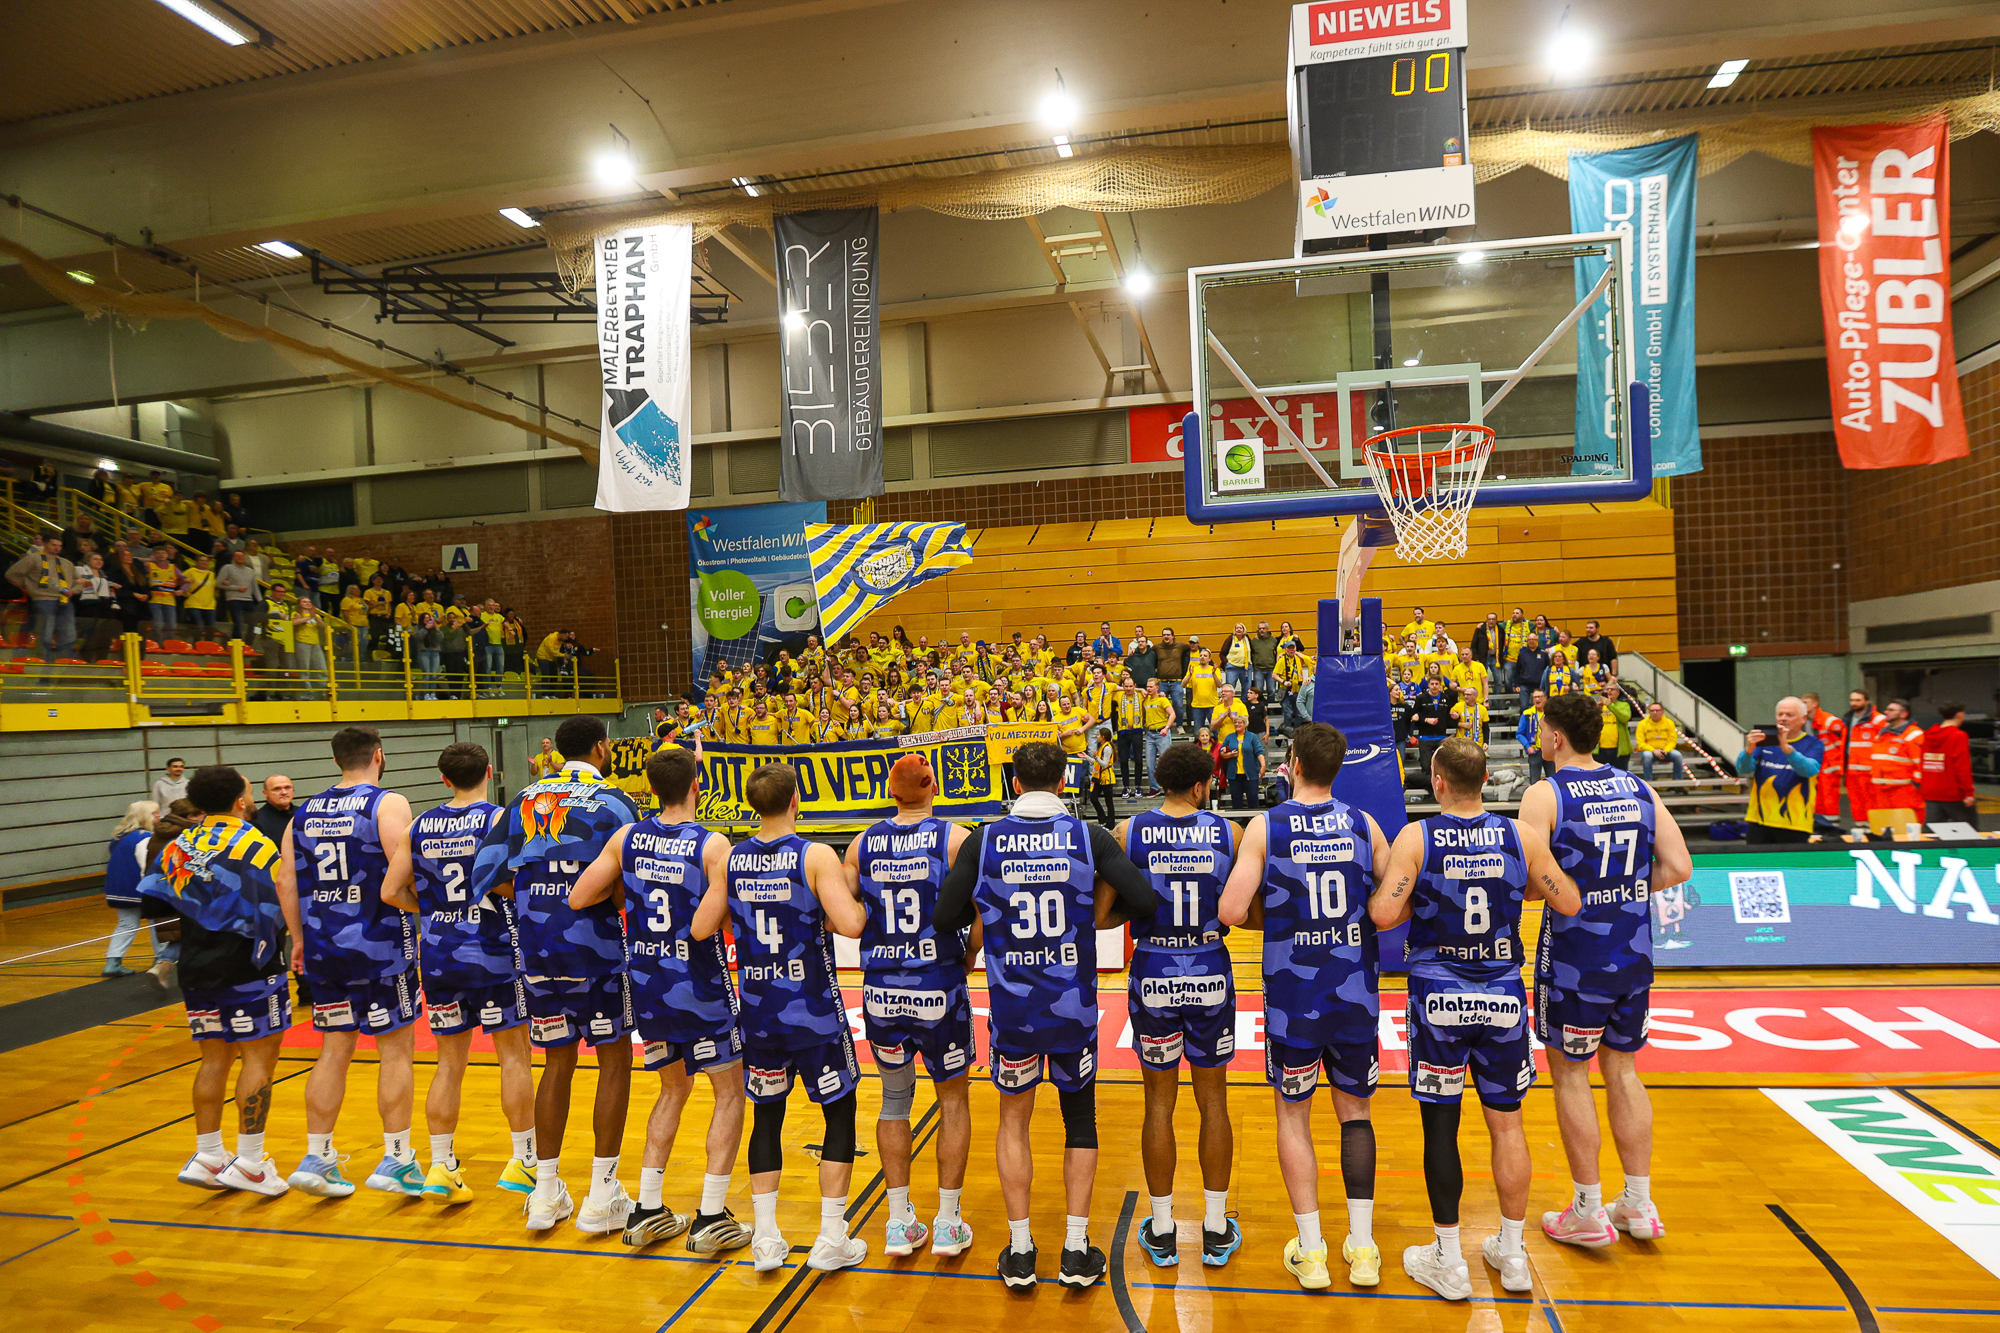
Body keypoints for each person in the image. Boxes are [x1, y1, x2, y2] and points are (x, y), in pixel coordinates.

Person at [934, 741, 1158, 1288]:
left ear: (1013, 784)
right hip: (1073, 1009)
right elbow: (1145, 900)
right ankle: (1077, 1250)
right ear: (1063, 783)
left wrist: (990, 909)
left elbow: (943, 915)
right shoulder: (1089, 836)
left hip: (1013, 1009)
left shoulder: (984, 841)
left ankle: (1020, 1249)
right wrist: (1099, 918)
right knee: (1080, 1121)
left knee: (1014, 1121)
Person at [1369, 737, 1581, 1300]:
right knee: (1507, 1123)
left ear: (1437, 782)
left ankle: (1448, 1258)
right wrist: (1518, 885)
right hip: (1503, 995)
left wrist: (1425, 895)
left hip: (1439, 997)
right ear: (1486, 779)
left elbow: (1385, 913)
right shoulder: (1520, 835)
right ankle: (1512, 1255)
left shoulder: (1418, 837)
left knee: (1441, 1124)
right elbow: (1568, 901)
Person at [1219, 722, 1391, 1291]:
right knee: (1356, 1115)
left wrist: (1286, 918)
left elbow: (1232, 909)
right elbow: (1391, 900)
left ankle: (1312, 1251)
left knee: (1293, 1114)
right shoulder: (1364, 824)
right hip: (1357, 994)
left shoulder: (1266, 826)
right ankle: (1363, 1250)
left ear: (1290, 761)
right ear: (1339, 767)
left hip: (1295, 998)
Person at [1520, 692, 1693, 1248]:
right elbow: (1680, 865)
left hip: (1574, 957)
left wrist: (1576, 894)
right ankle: (1639, 1204)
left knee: (1571, 1074)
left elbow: (1529, 882)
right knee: (1623, 1071)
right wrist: (1624, 892)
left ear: (1555, 737)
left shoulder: (1545, 794)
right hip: (1634, 950)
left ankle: (1589, 1209)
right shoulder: (1639, 786)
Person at [569, 746, 754, 1254]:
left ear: (650, 790)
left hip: (647, 986)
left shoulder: (627, 837)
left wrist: (626, 892)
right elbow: (723, 919)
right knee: (730, 1094)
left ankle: (648, 1207)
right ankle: (712, 1215)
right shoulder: (714, 845)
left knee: (671, 1091)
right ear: (697, 787)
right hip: (700, 986)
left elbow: (579, 896)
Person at [470, 714, 641, 1234]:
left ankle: (544, 1193)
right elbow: (625, 883)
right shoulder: (615, 802)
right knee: (613, 1063)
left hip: (538, 953)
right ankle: (602, 1192)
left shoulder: (520, 800)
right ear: (600, 748)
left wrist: (533, 900)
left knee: (555, 1062)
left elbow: (488, 875)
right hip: (599, 953)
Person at [707, 763, 869, 1273]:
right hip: (813, 1010)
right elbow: (851, 924)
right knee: (839, 1112)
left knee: (767, 1117)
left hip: (758, 1010)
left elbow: (711, 923)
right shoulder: (814, 854)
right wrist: (848, 892)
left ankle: (767, 1240)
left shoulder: (733, 857)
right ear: (796, 799)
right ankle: (830, 1236)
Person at [382, 742, 538, 1204]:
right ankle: (525, 1162)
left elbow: (392, 891)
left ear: (444, 779)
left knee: (449, 1062)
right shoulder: (498, 819)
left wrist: (431, 912)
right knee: (514, 1056)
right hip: (491, 952)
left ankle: (440, 1165)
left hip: (439, 954)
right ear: (490, 771)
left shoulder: (418, 825)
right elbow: (515, 884)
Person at [842, 755, 979, 1259]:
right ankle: (947, 1220)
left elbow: (840, 911)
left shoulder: (861, 843)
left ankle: (899, 1222)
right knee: (954, 1102)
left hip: (881, 990)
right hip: (937, 985)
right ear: (933, 786)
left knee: (894, 1102)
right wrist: (969, 954)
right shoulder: (956, 838)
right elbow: (985, 910)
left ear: (892, 792)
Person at [278, 726, 421, 1199]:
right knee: (396, 1049)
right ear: (378, 755)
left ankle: (317, 1154)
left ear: (337, 758)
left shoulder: (303, 812)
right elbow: (406, 871)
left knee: (334, 1049)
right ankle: (398, 1158)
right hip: (380, 948)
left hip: (324, 949)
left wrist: (298, 940)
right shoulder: (387, 803)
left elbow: (286, 882)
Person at [139, 767, 296, 1195]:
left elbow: (153, 904)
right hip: (250, 966)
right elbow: (283, 895)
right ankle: (249, 1162)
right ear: (241, 802)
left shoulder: (179, 844)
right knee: (259, 1059)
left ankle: (208, 1153)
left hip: (196, 964)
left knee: (214, 1060)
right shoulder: (253, 842)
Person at [1120, 743, 1244, 1269]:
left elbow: (1108, 914)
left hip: (1153, 968)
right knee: (1213, 1100)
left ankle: (1165, 1226)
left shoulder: (1132, 833)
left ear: (1159, 782)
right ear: (1201, 786)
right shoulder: (1226, 832)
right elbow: (1244, 912)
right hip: (1209, 965)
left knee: (1158, 1103)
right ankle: (1215, 1227)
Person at [1735, 697, 1825, 844]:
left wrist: (1787, 749)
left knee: (1792, 866)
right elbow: (1743, 769)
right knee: (1758, 866)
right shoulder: (1765, 741)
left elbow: (1808, 771)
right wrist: (1748, 750)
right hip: (1759, 820)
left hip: (1794, 822)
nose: (1783, 719)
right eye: (1780, 714)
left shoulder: (1814, 744)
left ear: (1803, 719)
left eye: (1789, 715)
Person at [103, 801, 160, 977]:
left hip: (117, 888)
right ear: (146, 816)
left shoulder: (120, 837)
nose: (159, 816)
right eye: (155, 813)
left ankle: (113, 961)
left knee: (127, 924)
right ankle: (161, 959)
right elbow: (147, 866)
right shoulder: (145, 838)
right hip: (138, 888)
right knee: (157, 921)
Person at [8, 534, 77, 659]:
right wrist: (28, 586)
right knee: (46, 632)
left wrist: (75, 590)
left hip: (64, 599)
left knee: (69, 633)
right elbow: (12, 574)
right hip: (43, 598)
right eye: (54, 545)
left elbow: (77, 580)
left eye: (59, 546)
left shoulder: (67, 563)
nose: (57, 548)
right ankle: (42, 662)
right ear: (45, 544)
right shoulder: (33, 558)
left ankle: (63, 663)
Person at [1868, 699, 1925, 825]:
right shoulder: (1882, 733)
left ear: (1904, 714)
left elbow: (1921, 765)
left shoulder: (1914, 734)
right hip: (1880, 792)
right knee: (1884, 830)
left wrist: (1915, 785)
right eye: (1887, 709)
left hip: (1903, 792)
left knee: (1908, 830)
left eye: (1891, 710)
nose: (1886, 712)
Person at [1920, 703, 1978, 829]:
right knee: (1969, 833)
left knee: (1931, 833)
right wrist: (1968, 792)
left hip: (1931, 791)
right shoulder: (1958, 736)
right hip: (1954, 793)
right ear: (1959, 715)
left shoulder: (1928, 735)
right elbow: (1961, 766)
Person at [1404, 677, 1455, 798]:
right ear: (1428, 685)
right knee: (1427, 767)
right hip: (1425, 737)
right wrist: (1426, 720)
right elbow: (1414, 716)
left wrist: (1455, 717)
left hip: (1441, 737)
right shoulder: (1421, 698)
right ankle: (1430, 793)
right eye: (1432, 684)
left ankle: (1441, 792)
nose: (1434, 686)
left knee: (1442, 767)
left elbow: (1448, 716)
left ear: (1440, 684)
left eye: (1437, 684)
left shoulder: (1445, 698)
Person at [1842, 690, 1886, 824]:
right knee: (1856, 802)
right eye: (1852, 700)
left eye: (1858, 700)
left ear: (1866, 701)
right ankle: (1861, 830)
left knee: (1873, 802)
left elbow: (1885, 743)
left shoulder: (1878, 720)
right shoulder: (1847, 719)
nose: (1854, 703)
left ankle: (1875, 830)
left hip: (1870, 770)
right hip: (1852, 769)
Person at [1800, 693, 1847, 818]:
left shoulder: (1830, 721)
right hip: (1815, 765)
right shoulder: (1804, 721)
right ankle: (1820, 825)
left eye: (1805, 702)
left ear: (1815, 704)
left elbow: (1846, 742)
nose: (1802, 705)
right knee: (1816, 799)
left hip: (1829, 766)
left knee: (1829, 799)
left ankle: (1832, 826)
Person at [1632, 702, 1687, 782]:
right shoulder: (1642, 724)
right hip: (1649, 751)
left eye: (1657, 710)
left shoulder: (1669, 723)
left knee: (1678, 755)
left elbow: (1672, 741)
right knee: (1647, 756)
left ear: (1662, 712)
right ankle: (1649, 783)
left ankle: (1677, 782)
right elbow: (1640, 744)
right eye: (1652, 710)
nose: (1655, 713)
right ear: (1649, 712)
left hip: (1665, 751)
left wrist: (1665, 750)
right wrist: (1654, 751)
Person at [1140, 681, 1176, 796]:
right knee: (1150, 764)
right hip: (1150, 734)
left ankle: (1169, 787)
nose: (1148, 689)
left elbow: (1172, 714)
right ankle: (1154, 788)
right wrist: (1140, 690)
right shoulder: (1145, 699)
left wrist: (1166, 728)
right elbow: (1129, 689)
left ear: (1157, 687)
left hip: (1162, 733)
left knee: (1166, 762)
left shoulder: (1163, 699)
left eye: (1151, 687)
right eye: (1147, 686)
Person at [1154, 628, 1189, 729]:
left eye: (1168, 635)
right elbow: (1146, 652)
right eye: (1164, 635)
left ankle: (1179, 725)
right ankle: (1162, 725)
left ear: (1173, 636)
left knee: (1178, 704)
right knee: (1160, 705)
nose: (1166, 637)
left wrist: (1205, 649)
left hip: (1176, 682)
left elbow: (1193, 647)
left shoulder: (1181, 646)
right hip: (1161, 683)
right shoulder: (1157, 647)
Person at [1594, 684, 1633, 770]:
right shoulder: (1600, 706)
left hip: (1618, 750)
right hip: (1600, 749)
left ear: (1618, 692)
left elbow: (1625, 718)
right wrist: (1596, 709)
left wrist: (1610, 706)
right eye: (1607, 689)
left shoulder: (1624, 705)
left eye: (1612, 689)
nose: (1609, 691)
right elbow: (1590, 722)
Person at [250, 774, 296, 844]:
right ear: (265, 793)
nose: (284, 792)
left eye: (287, 787)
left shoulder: (304, 814)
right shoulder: (256, 821)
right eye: (277, 789)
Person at [1088, 726, 1119, 827]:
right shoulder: (1102, 746)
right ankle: (1102, 819)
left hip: (1107, 777)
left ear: (1103, 737)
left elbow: (1104, 764)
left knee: (1108, 801)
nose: (1097, 737)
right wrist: (1087, 758)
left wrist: (1096, 757)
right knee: (1093, 798)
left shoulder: (1107, 748)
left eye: (1098, 735)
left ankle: (1110, 824)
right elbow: (1098, 763)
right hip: (1100, 776)